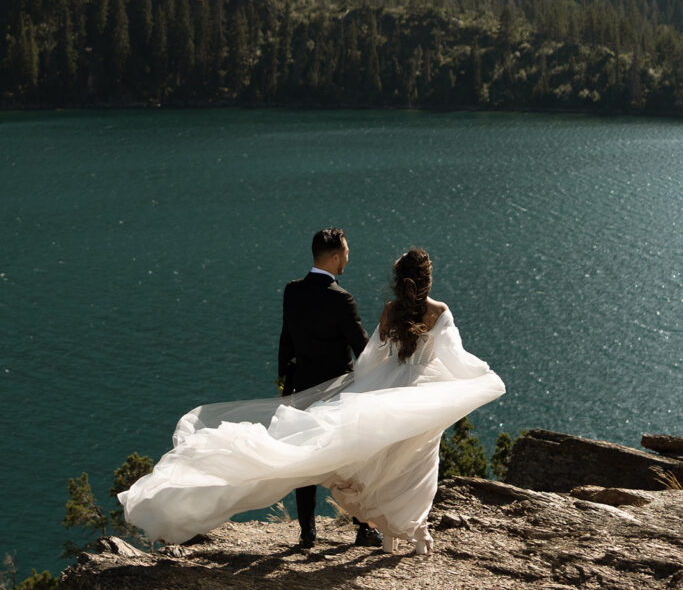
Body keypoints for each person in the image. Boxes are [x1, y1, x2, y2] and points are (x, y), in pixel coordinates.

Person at [119, 248, 505, 556]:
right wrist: (481, 372)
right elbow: (455, 359)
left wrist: (362, 389)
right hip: (420, 394)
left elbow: (371, 358)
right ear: (427, 280)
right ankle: (411, 531)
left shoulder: (390, 311)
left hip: (389, 389)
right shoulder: (439, 313)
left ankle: (388, 534)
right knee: (416, 461)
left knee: (385, 459)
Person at [278, 227, 382, 549]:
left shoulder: (292, 291)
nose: (348, 259)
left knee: (306, 460)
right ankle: (364, 528)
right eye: (347, 253)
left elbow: (286, 340)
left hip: (302, 389)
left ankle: (307, 532)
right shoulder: (342, 299)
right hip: (339, 394)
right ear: (335, 257)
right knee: (353, 460)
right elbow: (362, 349)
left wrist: (284, 386)